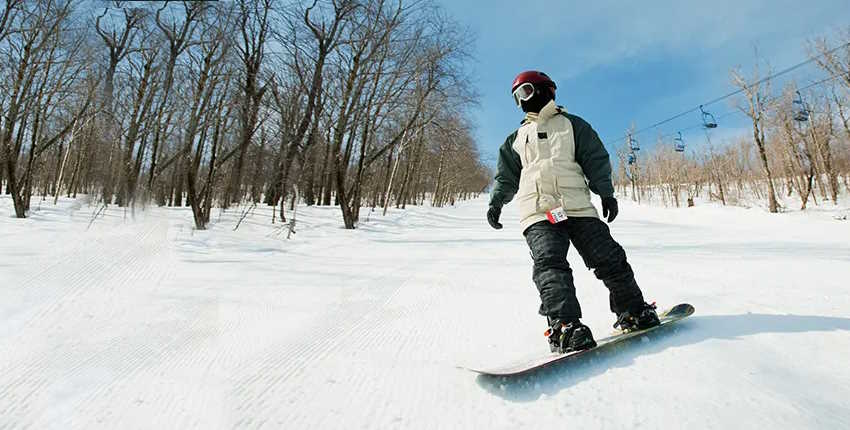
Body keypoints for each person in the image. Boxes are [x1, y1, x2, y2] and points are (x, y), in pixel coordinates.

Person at [487, 70, 659, 354]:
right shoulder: (515, 139)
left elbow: (595, 159)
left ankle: (632, 310)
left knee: (610, 258)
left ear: (545, 91)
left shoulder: (573, 125)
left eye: (525, 92)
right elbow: (506, 176)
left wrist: (606, 193)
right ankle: (566, 326)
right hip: (539, 211)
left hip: (577, 206)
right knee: (550, 264)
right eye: (516, 97)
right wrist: (496, 202)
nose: (521, 101)